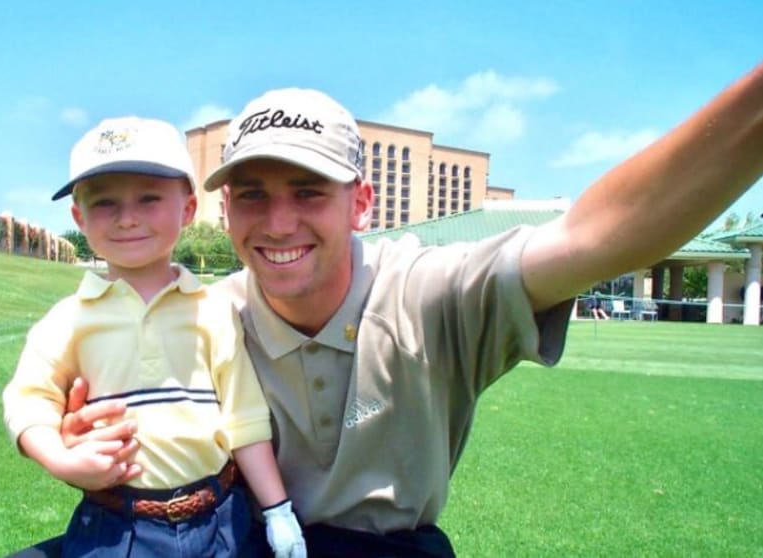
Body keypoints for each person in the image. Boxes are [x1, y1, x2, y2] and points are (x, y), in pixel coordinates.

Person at [49, 63, 763, 557]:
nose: (277, 222)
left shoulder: (432, 293)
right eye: (254, 195)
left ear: (361, 203)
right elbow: (101, 413)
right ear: (224, 207)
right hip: (239, 535)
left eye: (307, 192)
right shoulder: (202, 312)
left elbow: (594, 236)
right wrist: (83, 444)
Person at [2, 116, 305, 558]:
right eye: (105, 203)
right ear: (78, 217)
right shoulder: (68, 319)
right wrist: (63, 460)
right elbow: (28, 403)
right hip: (116, 528)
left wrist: (278, 511)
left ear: (187, 209)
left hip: (221, 519)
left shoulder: (214, 310)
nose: (128, 219)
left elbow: (245, 420)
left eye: (149, 199)